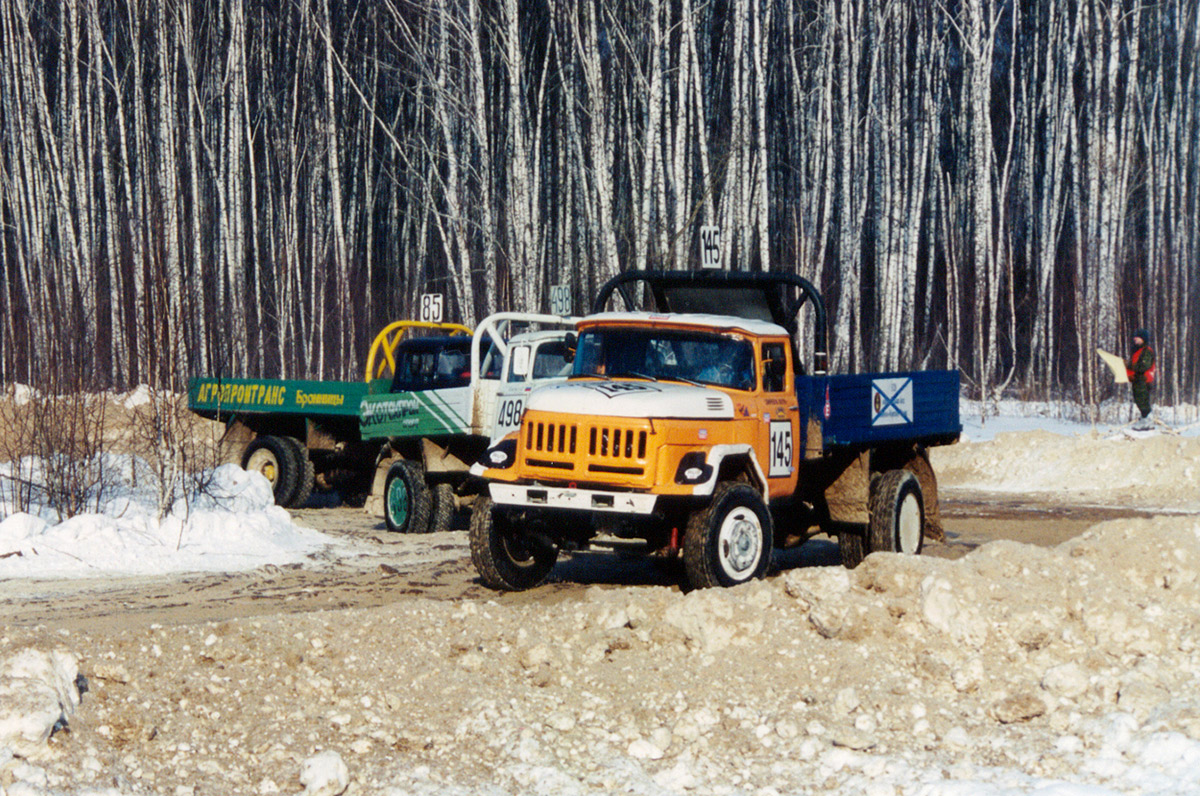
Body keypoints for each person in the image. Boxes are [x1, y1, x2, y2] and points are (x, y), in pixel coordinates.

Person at [1125, 329, 1156, 430]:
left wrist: (1129, 366)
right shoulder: (1137, 351)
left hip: (1144, 380)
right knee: (1138, 399)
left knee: (1143, 400)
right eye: (1135, 338)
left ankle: (1148, 421)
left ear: (1143, 339)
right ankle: (1144, 419)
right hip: (1137, 380)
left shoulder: (1147, 351)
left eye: (1137, 338)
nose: (1135, 340)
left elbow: (1144, 366)